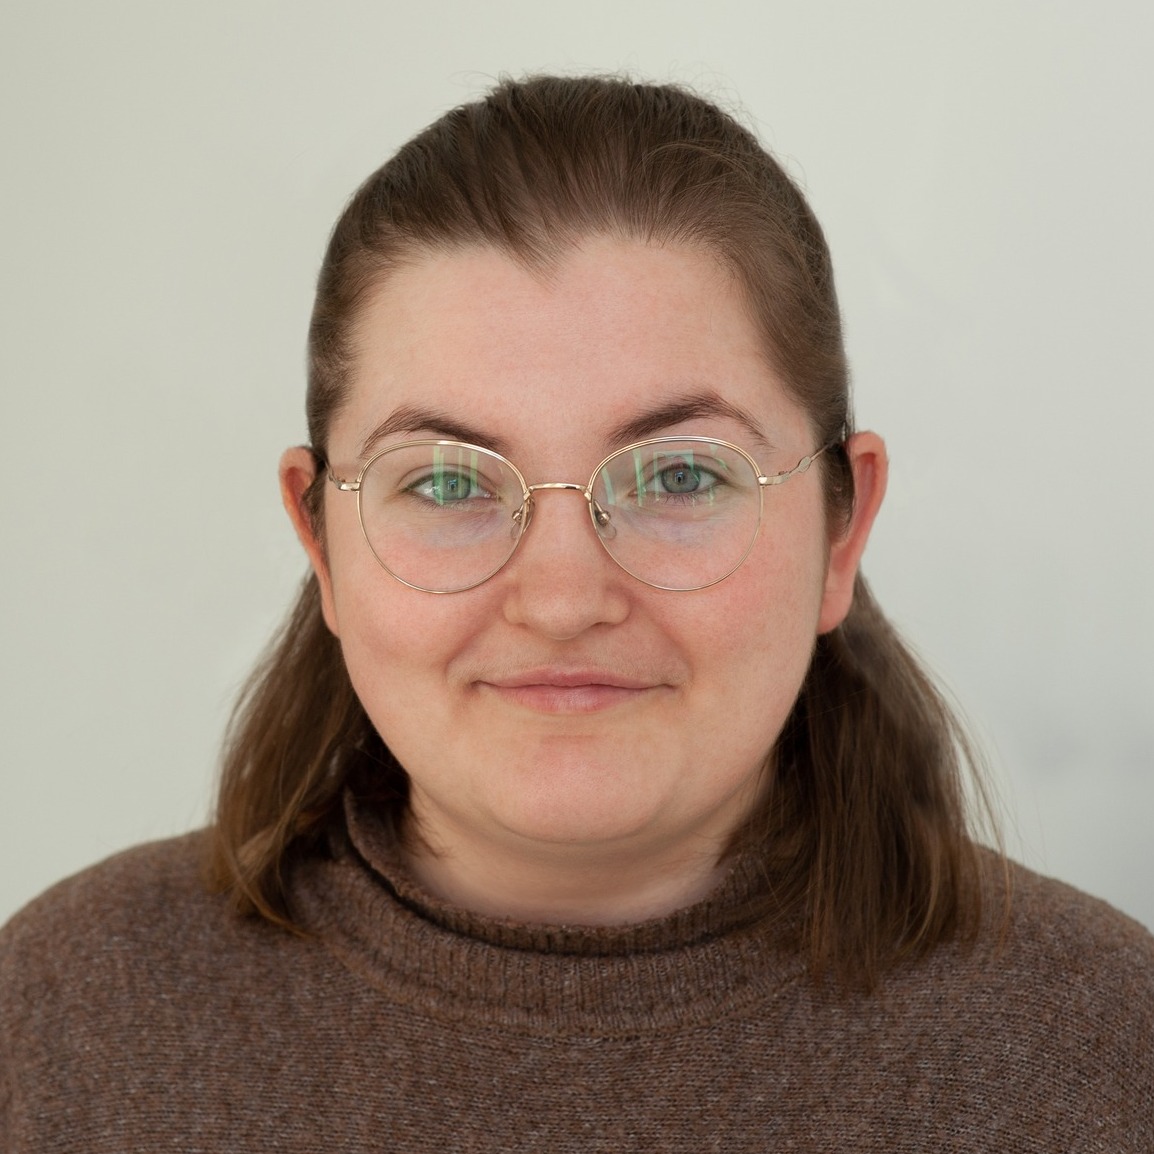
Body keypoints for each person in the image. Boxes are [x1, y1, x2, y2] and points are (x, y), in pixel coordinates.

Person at [2, 74, 1151, 1151]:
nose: (560, 599)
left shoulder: (1097, 1049)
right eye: (445, 482)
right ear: (322, 544)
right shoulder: (60, 1018)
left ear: (839, 531)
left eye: (680, 476)